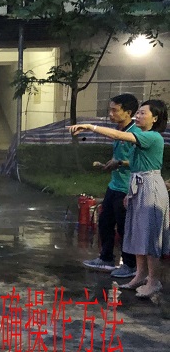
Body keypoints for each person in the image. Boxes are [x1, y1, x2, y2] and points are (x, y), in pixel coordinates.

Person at [69, 99, 169, 298]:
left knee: (149, 236)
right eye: (138, 113)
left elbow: (118, 135)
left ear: (155, 118)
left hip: (150, 187)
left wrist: (90, 127)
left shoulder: (152, 137)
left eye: (143, 113)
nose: (138, 116)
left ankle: (153, 281)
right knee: (136, 233)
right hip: (138, 185)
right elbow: (134, 164)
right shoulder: (143, 136)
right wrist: (130, 192)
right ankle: (139, 275)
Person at [82, 94, 140, 279]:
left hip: (128, 187)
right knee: (105, 222)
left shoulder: (136, 134)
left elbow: (141, 162)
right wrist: (111, 163)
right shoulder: (119, 129)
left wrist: (120, 163)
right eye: (110, 110)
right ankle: (106, 258)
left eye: (115, 110)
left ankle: (130, 264)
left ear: (128, 112)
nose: (110, 114)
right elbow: (121, 157)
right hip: (114, 185)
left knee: (124, 227)